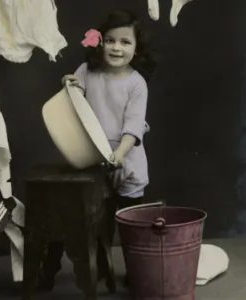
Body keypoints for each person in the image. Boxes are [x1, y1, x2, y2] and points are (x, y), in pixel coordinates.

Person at [40, 9, 156, 289]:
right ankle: (102, 269)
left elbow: (134, 125)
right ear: (100, 42)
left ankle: (136, 271)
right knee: (99, 222)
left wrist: (121, 152)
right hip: (94, 159)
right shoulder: (88, 71)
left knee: (131, 225)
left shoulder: (136, 83)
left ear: (136, 47)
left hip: (127, 161)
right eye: (111, 40)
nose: (117, 47)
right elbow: (75, 104)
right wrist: (68, 84)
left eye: (125, 42)